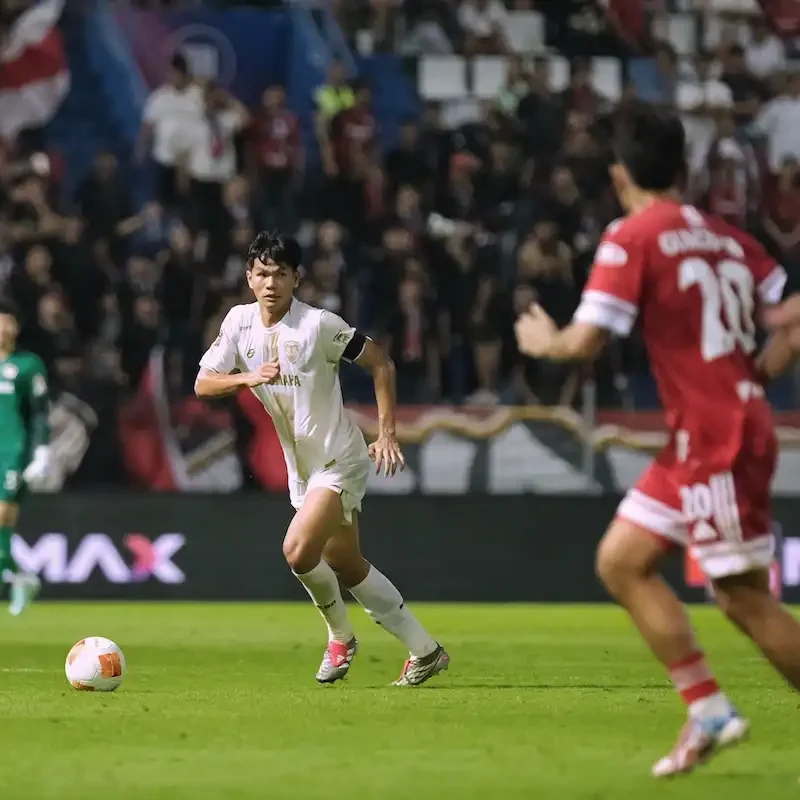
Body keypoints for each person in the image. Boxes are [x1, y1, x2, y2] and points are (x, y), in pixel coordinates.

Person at [514, 107, 800, 777]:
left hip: (715, 437)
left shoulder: (632, 236)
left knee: (742, 597)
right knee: (622, 560)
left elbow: (585, 341)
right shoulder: (731, 240)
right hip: (713, 429)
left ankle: (712, 711)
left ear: (619, 175)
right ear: (683, 170)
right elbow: (790, 320)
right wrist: (751, 378)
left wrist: (544, 341)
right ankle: (708, 709)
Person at [194, 232, 449, 686]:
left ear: (297, 278)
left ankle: (340, 637)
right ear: (248, 277)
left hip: (339, 459)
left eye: (281, 274)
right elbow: (203, 383)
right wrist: (247, 378)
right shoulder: (238, 323)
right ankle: (425, 650)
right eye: (262, 274)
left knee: (297, 551)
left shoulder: (318, 326)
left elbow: (381, 363)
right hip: (304, 470)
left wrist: (387, 433)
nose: (270, 283)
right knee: (348, 564)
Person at [0, 300, 52, 615]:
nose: (3, 328)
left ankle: (17, 576)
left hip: (11, 452)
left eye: (7, 322)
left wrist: (42, 451)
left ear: (16, 328)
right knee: (3, 529)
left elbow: (39, 412)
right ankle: (20, 576)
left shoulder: (27, 365)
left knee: (1, 516)